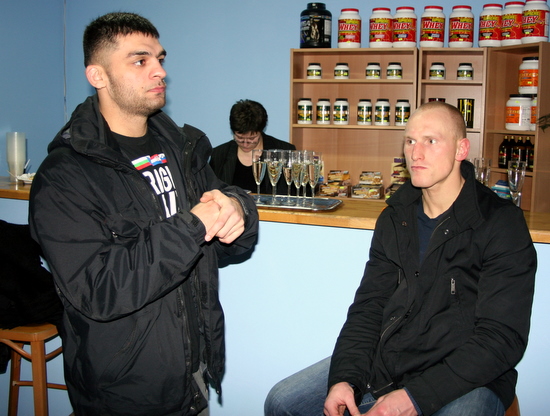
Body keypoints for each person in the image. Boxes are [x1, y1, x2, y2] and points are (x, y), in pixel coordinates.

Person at [29, 12, 259, 416]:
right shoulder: (64, 175)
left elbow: (230, 241)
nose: (160, 71)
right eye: (140, 60)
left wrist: (238, 208)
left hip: (194, 375)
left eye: (160, 58)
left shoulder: (180, 148)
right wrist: (194, 225)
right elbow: (98, 289)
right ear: (97, 75)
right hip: (125, 391)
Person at [265, 101, 537, 416]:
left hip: (468, 376)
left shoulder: (500, 223)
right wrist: (345, 378)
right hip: (392, 360)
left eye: (430, 141)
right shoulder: (395, 216)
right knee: (282, 402)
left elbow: (501, 338)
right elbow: (369, 308)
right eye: (410, 141)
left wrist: (415, 397)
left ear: (461, 149)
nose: (415, 153)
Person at [210, 99, 296, 195]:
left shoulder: (285, 151)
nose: (245, 143)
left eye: (252, 138)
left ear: (261, 131)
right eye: (239, 137)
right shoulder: (219, 155)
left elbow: (298, 194)